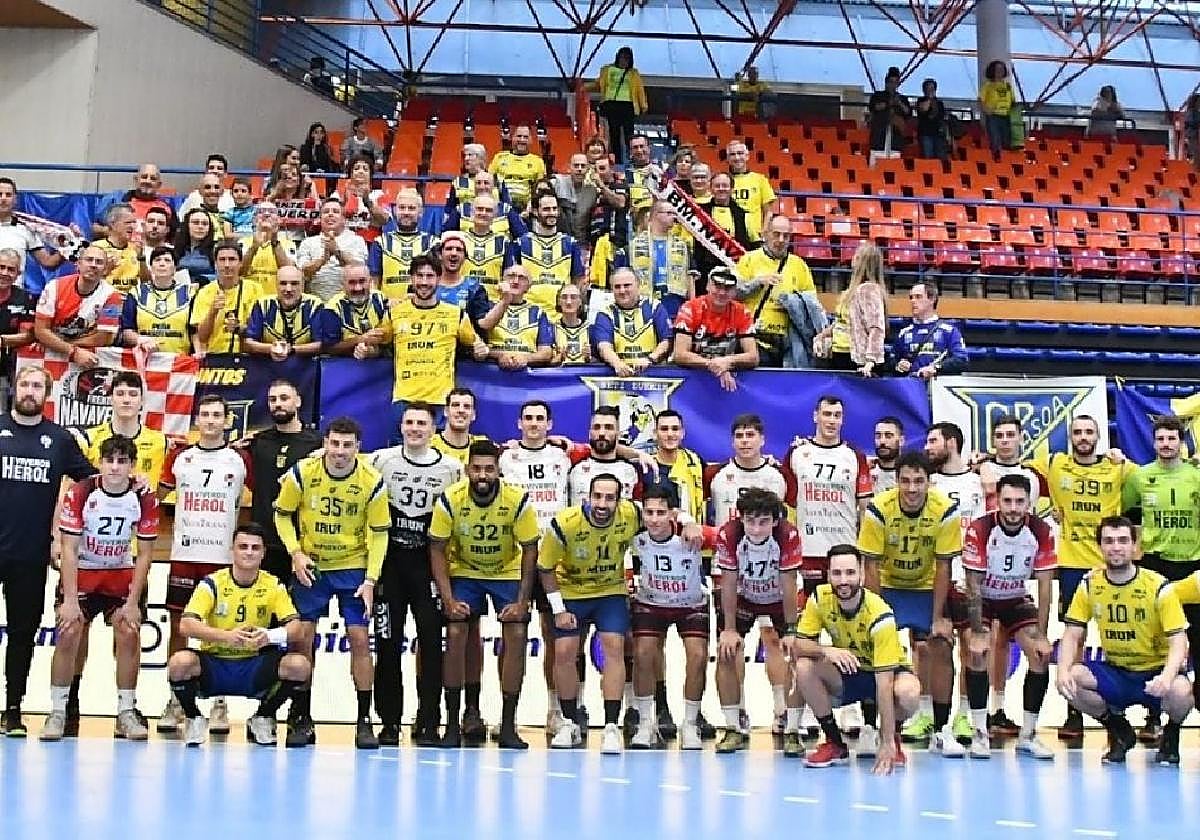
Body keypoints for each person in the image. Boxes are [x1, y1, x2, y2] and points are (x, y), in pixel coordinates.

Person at [274, 416, 391, 749]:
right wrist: (295, 552)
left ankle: (364, 721)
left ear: (358, 448)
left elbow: (380, 534)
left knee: (360, 639)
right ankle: (301, 717)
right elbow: (282, 514)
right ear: (325, 443)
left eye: (347, 445)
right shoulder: (302, 473)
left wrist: (371, 579)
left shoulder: (371, 481)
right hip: (312, 566)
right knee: (303, 639)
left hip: (353, 567)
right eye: (334, 443)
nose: (339, 451)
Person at [40, 435, 158, 742]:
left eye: (122, 462)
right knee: (68, 631)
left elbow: (145, 554)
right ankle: (58, 711)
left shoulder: (144, 496)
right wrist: (69, 599)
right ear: (100, 463)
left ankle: (126, 712)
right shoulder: (81, 492)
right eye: (109, 461)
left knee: (129, 631)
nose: (115, 467)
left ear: (132, 466)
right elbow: (68, 548)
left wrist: (133, 602)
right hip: (83, 571)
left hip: (120, 573)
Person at [0, 366, 95, 737]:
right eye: (24, 384)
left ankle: (12, 709)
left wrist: (130, 480)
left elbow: (91, 480)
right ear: (14, 389)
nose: (30, 390)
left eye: (37, 385)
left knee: (23, 634)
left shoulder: (59, 439)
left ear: (47, 393)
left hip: (31, 554)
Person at [1028, 414, 1135, 738]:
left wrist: (1123, 458)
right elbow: (1014, 463)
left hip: (1110, 562)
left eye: (1089, 432)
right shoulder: (1056, 464)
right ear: (1070, 437)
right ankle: (1073, 711)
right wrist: (983, 460)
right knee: (1075, 635)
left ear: (1099, 437)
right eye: (1078, 432)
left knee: (1122, 630)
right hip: (1073, 564)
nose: (1083, 437)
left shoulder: (1118, 467)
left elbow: (1148, 479)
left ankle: (1128, 706)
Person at [429, 439, 540, 748]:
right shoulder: (450, 499)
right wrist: (448, 599)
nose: (482, 475)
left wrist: (522, 602)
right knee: (455, 632)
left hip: (506, 570)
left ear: (498, 471)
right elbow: (437, 548)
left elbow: (530, 549)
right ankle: (453, 723)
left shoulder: (517, 500)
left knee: (517, 633)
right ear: (467, 470)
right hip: (465, 570)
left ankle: (508, 724)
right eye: (476, 468)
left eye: (489, 469)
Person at [1057, 516, 1193, 765]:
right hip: (1117, 672)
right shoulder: (1090, 584)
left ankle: (1171, 734)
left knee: (1182, 691)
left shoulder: (1157, 586)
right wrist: (1062, 670)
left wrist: (1166, 676)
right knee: (1071, 679)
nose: (1116, 547)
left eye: (1122, 541)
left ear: (1134, 547)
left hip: (1154, 672)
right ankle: (1119, 730)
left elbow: (1179, 640)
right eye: (1109, 541)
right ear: (1100, 546)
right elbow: (1072, 633)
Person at [857, 452, 966, 757]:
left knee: (941, 644)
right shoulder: (879, 508)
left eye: (919, 481)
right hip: (888, 585)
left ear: (930, 482)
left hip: (926, 587)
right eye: (905, 481)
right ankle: (870, 727)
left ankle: (941, 730)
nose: (912, 488)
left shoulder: (945, 509)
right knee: (872, 647)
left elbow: (944, 566)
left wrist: (938, 617)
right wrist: (875, 614)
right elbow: (871, 565)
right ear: (896, 481)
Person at [155, 394, 252, 735]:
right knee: (178, 628)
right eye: (205, 415)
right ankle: (176, 701)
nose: (210, 421)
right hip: (185, 555)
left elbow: (265, 493)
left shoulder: (240, 458)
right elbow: (155, 496)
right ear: (197, 420)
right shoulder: (180, 456)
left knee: (220, 629)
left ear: (226, 420)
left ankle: (219, 703)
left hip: (222, 559)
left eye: (217, 415)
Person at [370, 403, 464, 746]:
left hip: (428, 568)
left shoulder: (451, 468)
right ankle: (389, 722)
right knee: (387, 644)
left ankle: (428, 720)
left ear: (433, 429)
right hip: (390, 567)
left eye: (421, 423)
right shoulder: (381, 460)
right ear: (401, 426)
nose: (414, 428)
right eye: (409, 422)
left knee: (432, 646)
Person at [169, 522, 310, 747]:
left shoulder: (273, 585)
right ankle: (194, 718)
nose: (249, 553)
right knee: (179, 663)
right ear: (232, 550)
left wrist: (269, 636)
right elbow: (186, 625)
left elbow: (297, 629)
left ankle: (263, 716)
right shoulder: (213, 583)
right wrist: (226, 636)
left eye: (255, 548)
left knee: (299, 665)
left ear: (263, 553)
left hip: (254, 666)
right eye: (243, 547)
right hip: (215, 664)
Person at [540, 472, 642, 752]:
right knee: (564, 650)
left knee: (614, 645)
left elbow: (665, 516)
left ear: (619, 501)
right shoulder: (565, 523)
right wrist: (559, 610)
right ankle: (569, 722)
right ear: (588, 497)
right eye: (597, 496)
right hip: (571, 591)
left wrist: (687, 521)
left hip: (610, 591)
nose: (602, 504)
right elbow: (545, 568)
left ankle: (611, 726)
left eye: (610, 498)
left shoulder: (632, 514)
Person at [795, 545, 919, 773]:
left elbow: (884, 683)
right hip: (851, 672)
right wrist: (826, 651)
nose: (843, 580)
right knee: (804, 667)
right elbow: (799, 645)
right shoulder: (819, 598)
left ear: (861, 574)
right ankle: (834, 742)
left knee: (909, 692)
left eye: (850, 573)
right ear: (828, 574)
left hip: (885, 676)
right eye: (837, 573)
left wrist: (886, 741)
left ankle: (893, 739)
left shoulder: (879, 614)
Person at [962, 474, 1057, 759]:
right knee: (977, 652)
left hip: (1015, 596)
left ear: (1029, 503)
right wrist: (978, 632)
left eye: (1019, 502)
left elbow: (1045, 586)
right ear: (997, 501)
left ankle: (1028, 735)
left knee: (1040, 655)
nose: (1013, 508)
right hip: (984, 597)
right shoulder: (980, 528)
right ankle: (980, 733)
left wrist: (1041, 634)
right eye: (1007, 501)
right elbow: (972, 585)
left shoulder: (1042, 530)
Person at [497, 400, 574, 731]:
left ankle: (555, 709)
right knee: (512, 637)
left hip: (551, 558)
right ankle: (507, 715)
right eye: (527, 418)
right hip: (514, 557)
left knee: (553, 635)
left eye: (540, 418)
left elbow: (606, 449)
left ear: (550, 424)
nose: (533, 423)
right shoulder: (505, 458)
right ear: (519, 423)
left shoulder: (564, 457)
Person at [713, 488, 802, 754]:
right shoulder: (729, 534)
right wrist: (729, 629)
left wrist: (791, 629)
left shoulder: (788, 534)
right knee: (726, 651)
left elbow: (789, 583)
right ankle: (733, 726)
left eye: (763, 522)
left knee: (797, 655)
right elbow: (728, 581)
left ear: (775, 521)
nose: (756, 529)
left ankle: (791, 727)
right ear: (741, 519)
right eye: (750, 521)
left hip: (778, 598)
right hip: (744, 597)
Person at [1121, 416, 1200, 711]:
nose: (1166, 444)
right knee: (1154, 639)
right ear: (1153, 443)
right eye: (1161, 439)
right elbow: (1121, 511)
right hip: (1155, 566)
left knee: (1197, 636)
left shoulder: (1195, 476)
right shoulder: (1140, 477)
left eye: (1171, 439)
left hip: (1191, 565)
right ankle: (1153, 714)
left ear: (1181, 442)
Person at [629, 486, 714, 749]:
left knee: (698, 656)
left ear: (672, 514)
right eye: (649, 512)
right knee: (643, 654)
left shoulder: (694, 535)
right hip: (651, 602)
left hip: (691, 604)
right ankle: (646, 723)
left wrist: (690, 522)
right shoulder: (635, 535)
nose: (654, 519)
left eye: (661, 513)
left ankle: (690, 724)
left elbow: (729, 538)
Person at [385, 254, 488, 436]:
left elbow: (478, 348)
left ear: (439, 279)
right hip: (404, 400)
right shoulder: (394, 313)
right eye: (419, 276)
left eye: (430, 276)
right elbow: (377, 344)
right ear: (411, 278)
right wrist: (366, 349)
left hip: (440, 401)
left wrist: (481, 350)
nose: (424, 282)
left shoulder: (456, 314)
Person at [785, 396, 873, 597]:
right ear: (815, 416)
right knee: (810, 611)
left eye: (837, 415)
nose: (832, 420)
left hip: (845, 550)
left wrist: (864, 556)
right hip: (808, 551)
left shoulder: (855, 456)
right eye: (827, 414)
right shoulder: (797, 453)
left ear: (843, 420)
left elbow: (865, 510)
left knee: (846, 609)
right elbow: (788, 506)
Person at [236, 380, 322, 582]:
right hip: (265, 540)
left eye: (284, 398)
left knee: (299, 602)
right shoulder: (257, 441)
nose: (278, 404)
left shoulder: (318, 443)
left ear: (298, 401)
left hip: (302, 542)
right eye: (272, 399)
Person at [735, 214, 816, 367]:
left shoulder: (799, 265)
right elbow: (734, 294)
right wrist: (757, 282)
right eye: (776, 234)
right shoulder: (749, 259)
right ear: (766, 234)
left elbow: (811, 305)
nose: (781, 240)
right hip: (755, 338)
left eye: (786, 236)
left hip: (789, 343)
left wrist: (793, 303)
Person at [33, 244, 123, 366]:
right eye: (89, 260)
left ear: (105, 270)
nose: (93, 265)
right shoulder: (54, 287)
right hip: (56, 354)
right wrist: (72, 351)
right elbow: (41, 330)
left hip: (88, 357)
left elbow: (104, 338)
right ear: (78, 264)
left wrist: (60, 345)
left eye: (99, 262)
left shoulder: (112, 295)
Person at [673, 267, 759, 392]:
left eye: (728, 288)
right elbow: (680, 354)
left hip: (727, 380)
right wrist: (714, 365)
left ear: (735, 291)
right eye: (717, 286)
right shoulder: (689, 308)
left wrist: (728, 361)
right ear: (708, 286)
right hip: (691, 380)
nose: (722, 292)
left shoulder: (742, 312)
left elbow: (753, 357)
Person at [508, 193, 586, 312]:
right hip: (529, 312)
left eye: (554, 209)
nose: (552, 213)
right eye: (546, 209)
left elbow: (578, 280)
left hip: (560, 314)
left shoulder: (570, 243)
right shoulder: (521, 244)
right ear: (535, 211)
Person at [818, 241, 886, 375]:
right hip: (840, 353)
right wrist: (822, 336)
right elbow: (842, 322)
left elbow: (876, 327)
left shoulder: (869, 290)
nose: (853, 259)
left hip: (857, 359)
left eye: (857, 256)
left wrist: (870, 361)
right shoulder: (851, 291)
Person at [619, 201, 695, 318]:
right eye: (669, 213)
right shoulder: (632, 246)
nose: (674, 217)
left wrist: (691, 308)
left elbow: (690, 279)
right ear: (655, 215)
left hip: (674, 304)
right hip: (643, 304)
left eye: (674, 213)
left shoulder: (682, 246)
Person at [591, 267, 672, 376]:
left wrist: (650, 359)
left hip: (652, 374)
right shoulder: (605, 313)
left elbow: (666, 341)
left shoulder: (654, 307)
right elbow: (603, 346)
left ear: (638, 286)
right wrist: (618, 364)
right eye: (617, 287)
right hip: (618, 376)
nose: (622, 291)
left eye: (627, 285)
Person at [190, 240, 263, 356]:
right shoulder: (204, 292)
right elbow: (202, 337)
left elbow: (263, 332)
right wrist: (213, 311)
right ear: (215, 264)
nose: (227, 265)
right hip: (216, 357)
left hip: (249, 358)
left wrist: (240, 329)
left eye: (232, 259)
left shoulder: (256, 289)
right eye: (222, 260)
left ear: (240, 263)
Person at [120, 246, 197, 355]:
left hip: (179, 360)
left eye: (167, 260)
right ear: (151, 267)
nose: (162, 264)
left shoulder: (189, 293)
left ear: (175, 268)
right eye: (157, 260)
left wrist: (198, 352)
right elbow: (126, 330)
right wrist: (140, 340)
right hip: (145, 358)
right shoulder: (136, 293)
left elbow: (195, 330)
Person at [478, 265, 555, 370]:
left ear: (528, 286)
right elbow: (477, 347)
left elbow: (546, 353)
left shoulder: (538, 312)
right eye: (511, 276)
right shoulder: (487, 308)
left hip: (526, 373)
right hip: (491, 371)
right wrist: (500, 355)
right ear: (502, 281)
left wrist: (525, 358)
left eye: (522, 278)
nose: (515, 281)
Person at [244, 265, 324, 360]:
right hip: (268, 365)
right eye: (283, 283)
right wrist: (271, 348)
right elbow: (249, 342)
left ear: (302, 286)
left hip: (305, 365)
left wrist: (292, 349)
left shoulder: (314, 305)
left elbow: (321, 344)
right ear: (276, 285)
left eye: (294, 283)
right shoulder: (262, 305)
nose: (288, 289)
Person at [296, 197, 369, 301]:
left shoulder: (357, 241)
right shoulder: (308, 242)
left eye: (335, 211)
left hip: (348, 302)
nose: (330, 214)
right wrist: (323, 260)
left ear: (344, 219)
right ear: (320, 218)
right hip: (316, 302)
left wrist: (337, 252)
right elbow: (302, 274)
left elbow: (360, 271)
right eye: (326, 212)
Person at [0, 178, 75, 278]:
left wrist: (69, 244)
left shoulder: (26, 228)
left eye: (8, 195)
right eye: (0, 194)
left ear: (15, 199)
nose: (3, 199)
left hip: (14, 287)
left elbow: (48, 262)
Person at [370, 189, 435, 303]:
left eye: (411, 208)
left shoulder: (432, 243)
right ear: (395, 211)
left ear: (421, 212)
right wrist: (383, 304)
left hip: (424, 308)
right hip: (389, 309)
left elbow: (440, 282)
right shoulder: (380, 243)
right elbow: (373, 283)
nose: (406, 212)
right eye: (402, 207)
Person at [314, 262, 390, 359]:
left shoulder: (380, 299)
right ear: (343, 284)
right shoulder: (332, 308)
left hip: (379, 361)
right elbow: (329, 348)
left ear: (370, 281)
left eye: (362, 281)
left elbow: (388, 340)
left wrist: (373, 350)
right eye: (352, 282)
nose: (358, 288)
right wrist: (360, 339)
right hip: (343, 362)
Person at [692, 170, 756, 286]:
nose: (721, 189)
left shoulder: (744, 215)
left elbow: (755, 245)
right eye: (717, 186)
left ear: (732, 189)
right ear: (711, 189)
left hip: (735, 272)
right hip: (704, 273)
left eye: (725, 185)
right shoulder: (700, 213)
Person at [891, 283, 968, 378]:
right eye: (911, 297)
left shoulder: (949, 331)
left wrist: (936, 368)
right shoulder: (904, 333)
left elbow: (961, 359)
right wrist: (899, 365)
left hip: (938, 384)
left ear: (932, 299)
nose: (913, 301)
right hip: (911, 385)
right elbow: (892, 360)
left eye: (918, 297)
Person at [594, 47, 647, 164]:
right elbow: (598, 84)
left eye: (627, 58)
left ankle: (632, 157)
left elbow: (639, 89)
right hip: (612, 104)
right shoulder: (607, 69)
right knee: (614, 133)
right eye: (622, 57)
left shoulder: (633, 73)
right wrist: (583, 87)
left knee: (629, 132)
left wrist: (643, 105)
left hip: (628, 104)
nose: (624, 61)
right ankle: (617, 159)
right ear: (618, 57)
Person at [92, 164, 174, 238]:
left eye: (153, 179)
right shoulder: (116, 200)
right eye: (144, 177)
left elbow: (174, 236)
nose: (148, 181)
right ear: (136, 179)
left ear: (159, 184)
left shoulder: (166, 208)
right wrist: (114, 232)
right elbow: (95, 228)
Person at [458, 193, 511, 300]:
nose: (483, 213)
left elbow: (508, 275)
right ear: (471, 213)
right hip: (460, 299)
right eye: (479, 209)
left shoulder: (503, 242)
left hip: (492, 302)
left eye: (488, 210)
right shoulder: (459, 239)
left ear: (495, 215)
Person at [239, 201, 297, 296]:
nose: (266, 214)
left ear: (278, 220)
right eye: (261, 211)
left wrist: (274, 241)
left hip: (276, 297)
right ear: (254, 219)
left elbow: (290, 272)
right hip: (249, 297)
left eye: (271, 211)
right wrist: (253, 247)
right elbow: (239, 272)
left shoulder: (288, 244)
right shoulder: (243, 243)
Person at [726, 140, 777, 242]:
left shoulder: (760, 180)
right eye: (732, 154)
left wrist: (764, 233)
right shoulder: (723, 181)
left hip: (754, 237)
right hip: (728, 236)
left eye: (740, 153)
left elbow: (768, 211)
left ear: (747, 156)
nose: (737, 157)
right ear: (728, 158)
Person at [488, 125, 546, 211]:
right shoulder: (499, 158)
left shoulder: (538, 162)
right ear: (512, 138)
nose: (522, 140)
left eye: (525, 137)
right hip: (500, 205)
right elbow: (489, 182)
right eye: (519, 136)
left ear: (531, 140)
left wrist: (531, 206)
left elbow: (540, 189)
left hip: (526, 208)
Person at [336, 155, 391, 244]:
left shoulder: (379, 195)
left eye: (365, 169)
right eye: (356, 168)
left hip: (371, 243)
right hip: (345, 242)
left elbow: (384, 220)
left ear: (370, 174)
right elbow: (333, 218)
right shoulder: (339, 194)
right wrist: (346, 199)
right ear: (350, 173)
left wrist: (367, 201)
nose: (361, 171)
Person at [94, 203, 146, 295]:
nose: (132, 226)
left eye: (134, 222)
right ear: (113, 224)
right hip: (105, 299)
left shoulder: (136, 249)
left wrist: (141, 259)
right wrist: (106, 270)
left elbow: (146, 283)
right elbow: (88, 283)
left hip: (131, 299)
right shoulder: (96, 248)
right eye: (128, 222)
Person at [0, 248, 36, 373]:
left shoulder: (25, 298)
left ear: (18, 274)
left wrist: (2, 340)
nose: (5, 273)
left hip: (9, 367)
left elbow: (27, 336)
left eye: (11, 269)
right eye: (1, 267)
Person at [552, 154, 599, 243]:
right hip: (559, 240)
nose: (579, 169)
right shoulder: (557, 183)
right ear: (570, 167)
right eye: (576, 166)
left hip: (581, 241)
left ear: (588, 169)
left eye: (583, 166)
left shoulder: (592, 191)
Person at [431, 387, 487, 461]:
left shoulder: (483, 445)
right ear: (446, 411)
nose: (461, 410)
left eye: (467, 406)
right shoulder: (429, 445)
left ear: (473, 415)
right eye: (456, 405)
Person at [869, 66, 912, 152]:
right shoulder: (878, 95)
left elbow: (908, 112)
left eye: (895, 83)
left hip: (896, 134)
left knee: (895, 155)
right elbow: (874, 107)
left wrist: (899, 103)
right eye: (891, 82)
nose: (893, 85)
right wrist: (889, 103)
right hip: (879, 132)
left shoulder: (902, 98)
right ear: (886, 82)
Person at [173, 208, 217, 287]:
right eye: (196, 223)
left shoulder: (216, 249)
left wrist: (203, 281)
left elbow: (224, 276)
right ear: (187, 225)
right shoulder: (176, 249)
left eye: (205, 224)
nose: (200, 227)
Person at [980, 61, 1015, 154]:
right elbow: (981, 100)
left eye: (1002, 69)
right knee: (995, 141)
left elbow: (1012, 101)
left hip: (1006, 116)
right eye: (997, 69)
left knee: (1006, 141)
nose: (1000, 71)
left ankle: (1006, 159)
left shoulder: (1008, 86)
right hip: (994, 117)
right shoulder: (988, 85)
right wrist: (987, 110)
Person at [551, 284, 590, 365]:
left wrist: (589, 359)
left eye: (573, 297)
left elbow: (601, 361)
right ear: (559, 301)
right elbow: (545, 364)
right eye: (564, 297)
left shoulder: (591, 329)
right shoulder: (551, 329)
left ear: (580, 302)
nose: (568, 302)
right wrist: (558, 359)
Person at [299, 122, 340, 195]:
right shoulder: (305, 148)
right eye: (316, 132)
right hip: (309, 173)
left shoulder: (326, 148)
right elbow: (305, 163)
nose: (319, 135)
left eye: (321, 133)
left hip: (323, 173)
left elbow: (327, 163)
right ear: (311, 134)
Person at [915, 79, 950, 160]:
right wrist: (929, 99)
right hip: (926, 134)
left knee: (940, 158)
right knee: (928, 158)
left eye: (932, 88)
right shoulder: (920, 101)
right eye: (928, 88)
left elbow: (942, 118)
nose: (930, 90)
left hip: (938, 134)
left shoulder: (939, 103)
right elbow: (924, 109)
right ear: (924, 90)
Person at [871, 416, 905, 493]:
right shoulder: (865, 472)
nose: (882, 441)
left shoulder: (910, 474)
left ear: (901, 440)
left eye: (888, 436)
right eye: (878, 436)